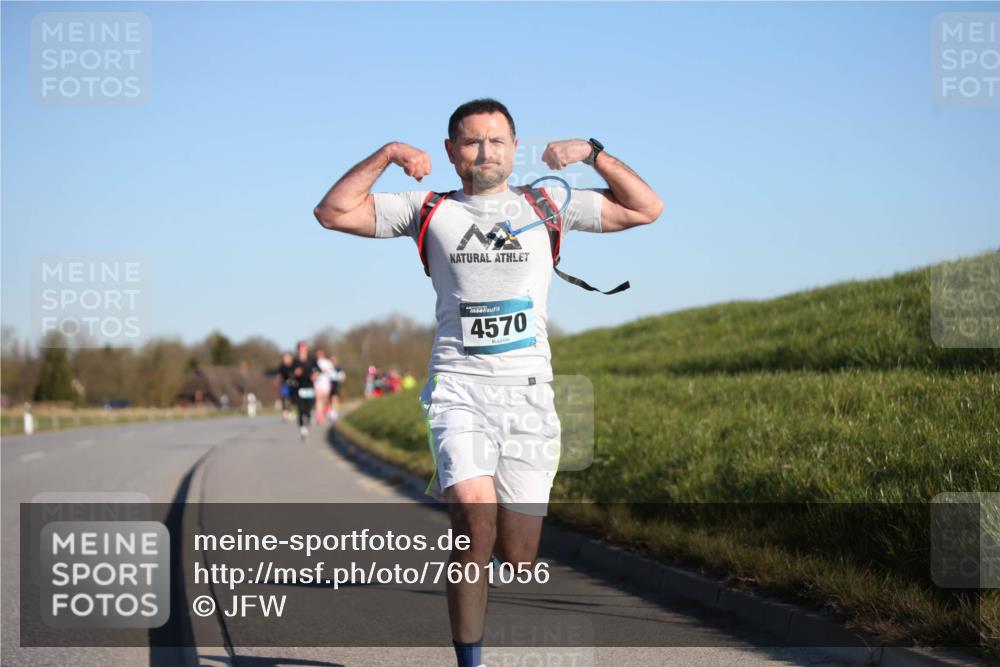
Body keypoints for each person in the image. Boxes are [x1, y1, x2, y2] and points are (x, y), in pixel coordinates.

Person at [313, 98, 662, 667]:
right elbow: (332, 212)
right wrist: (390, 153)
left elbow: (646, 208)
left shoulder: (547, 204)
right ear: (452, 152)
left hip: (528, 395)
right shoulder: (425, 209)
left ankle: (492, 561)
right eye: (472, 142)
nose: (485, 152)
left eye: (496, 141)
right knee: (472, 519)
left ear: (513, 148)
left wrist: (593, 154)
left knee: (518, 557)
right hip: (458, 389)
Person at [291, 341, 320, 441]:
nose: (302, 351)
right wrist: (295, 374)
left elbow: (318, 370)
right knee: (301, 410)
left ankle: (307, 424)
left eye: (304, 349)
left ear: (306, 350)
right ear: (298, 350)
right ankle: (303, 431)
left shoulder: (311, 360)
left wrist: (315, 375)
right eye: (300, 350)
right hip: (299, 388)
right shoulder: (295, 362)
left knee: (308, 410)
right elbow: (290, 374)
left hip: (310, 388)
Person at [276, 352, 296, 422]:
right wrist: (279, 379)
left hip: (292, 385)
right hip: (284, 385)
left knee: (292, 399)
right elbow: (279, 375)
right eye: (285, 358)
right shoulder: (282, 366)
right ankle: (285, 414)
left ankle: (290, 411)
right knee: (284, 399)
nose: (286, 360)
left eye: (288, 358)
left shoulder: (293, 366)